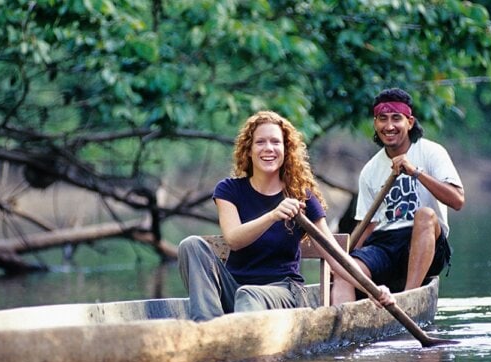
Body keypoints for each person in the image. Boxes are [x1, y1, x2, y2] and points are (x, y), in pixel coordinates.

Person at [178, 110, 394, 321]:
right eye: (260, 142)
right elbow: (234, 239)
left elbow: (335, 256)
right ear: (249, 150)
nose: (268, 148)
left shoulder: (302, 197)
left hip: (284, 292)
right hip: (235, 290)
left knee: (249, 295)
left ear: (286, 149)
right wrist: (273, 215)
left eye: (275, 142)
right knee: (191, 245)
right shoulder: (229, 190)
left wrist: (372, 289)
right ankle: (208, 327)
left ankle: (235, 333)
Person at [332, 88, 465, 302]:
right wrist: (345, 262)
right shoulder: (370, 170)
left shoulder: (431, 152)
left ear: (409, 122)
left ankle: (407, 299)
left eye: (396, 118)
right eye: (382, 119)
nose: (389, 126)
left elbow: (457, 201)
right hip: (385, 244)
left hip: (426, 241)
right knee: (343, 271)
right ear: (375, 123)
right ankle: (344, 319)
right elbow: (368, 225)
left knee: (425, 215)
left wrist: (416, 173)